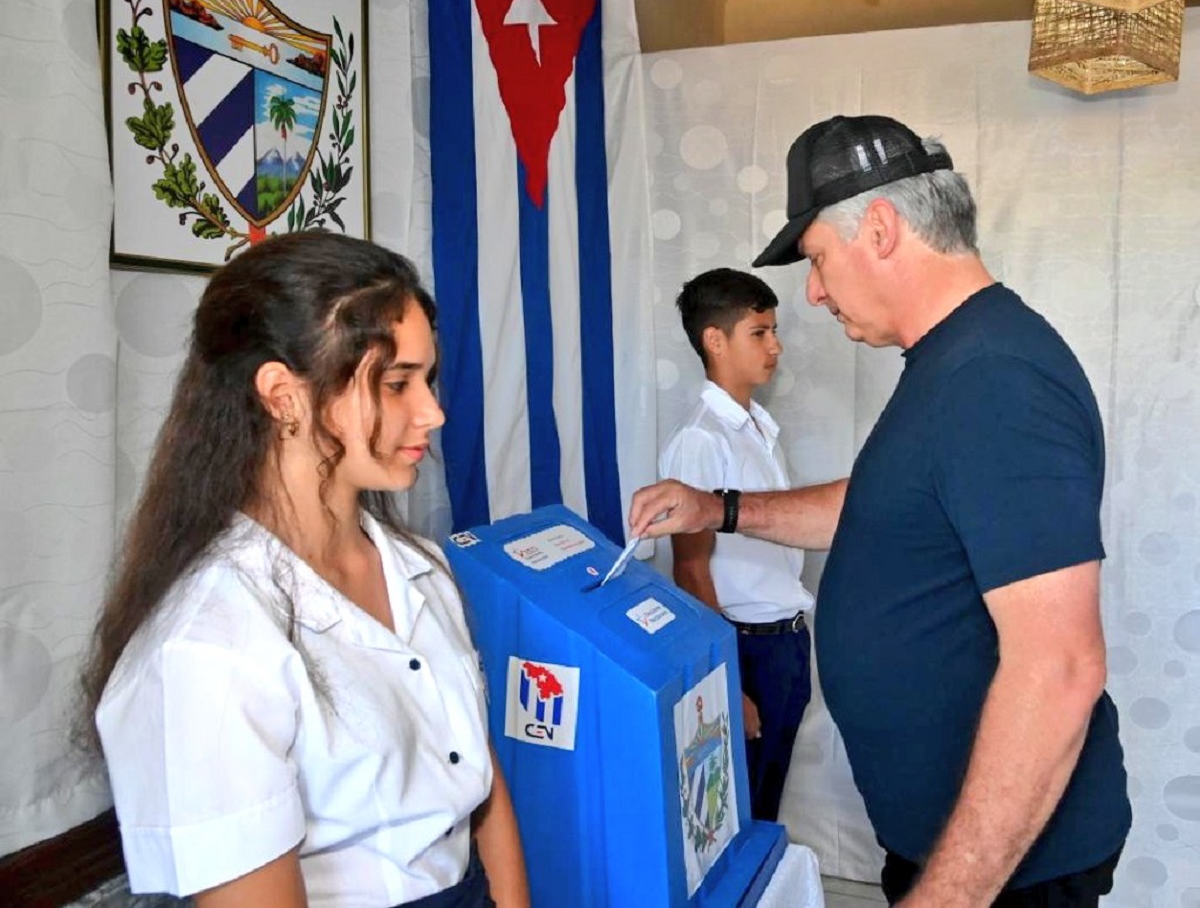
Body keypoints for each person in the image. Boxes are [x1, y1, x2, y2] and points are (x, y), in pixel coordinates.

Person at [631, 116, 1131, 907]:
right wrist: (715, 506)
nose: (817, 291)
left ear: (882, 227)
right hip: (943, 841)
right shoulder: (951, 362)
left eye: (819, 259)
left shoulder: (995, 378)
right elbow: (873, 510)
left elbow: (1061, 666)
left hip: (1009, 870)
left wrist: (949, 895)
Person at [79, 233, 529, 908]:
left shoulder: (420, 569)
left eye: (427, 381)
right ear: (283, 395)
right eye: (396, 384)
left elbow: (477, 779)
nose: (432, 413)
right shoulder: (206, 647)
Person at [660, 267, 813, 823]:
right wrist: (729, 681)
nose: (775, 346)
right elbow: (690, 567)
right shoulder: (701, 441)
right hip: (744, 646)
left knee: (767, 802)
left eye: (774, 330)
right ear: (715, 340)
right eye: (759, 332)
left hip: (785, 639)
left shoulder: (756, 429)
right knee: (736, 811)